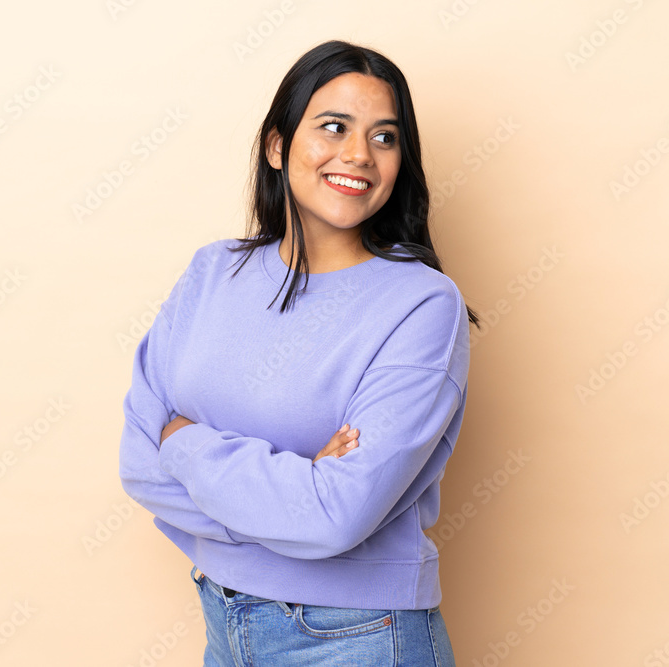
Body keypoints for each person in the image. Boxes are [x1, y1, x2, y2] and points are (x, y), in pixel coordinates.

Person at [119, 39, 481, 666]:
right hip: (225, 624)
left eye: (385, 137)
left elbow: (334, 518)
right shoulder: (212, 273)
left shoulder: (423, 306)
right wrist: (293, 493)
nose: (359, 156)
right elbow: (139, 465)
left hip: (359, 639)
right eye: (334, 127)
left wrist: (186, 442)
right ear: (277, 144)